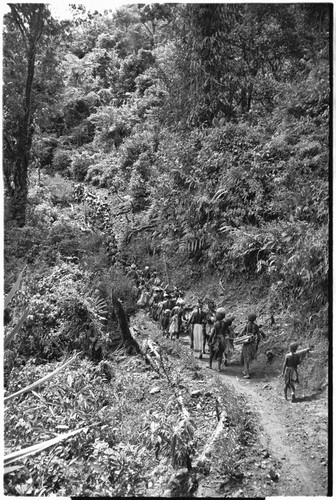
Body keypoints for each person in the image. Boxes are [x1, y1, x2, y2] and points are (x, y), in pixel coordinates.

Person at [238, 312, 266, 379]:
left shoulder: (247, 325)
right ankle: (245, 371)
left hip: (246, 343)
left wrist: (238, 338)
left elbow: (241, 333)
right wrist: (256, 345)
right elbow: (258, 336)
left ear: (248, 318)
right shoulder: (256, 326)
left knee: (245, 358)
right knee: (248, 358)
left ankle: (247, 373)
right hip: (252, 344)